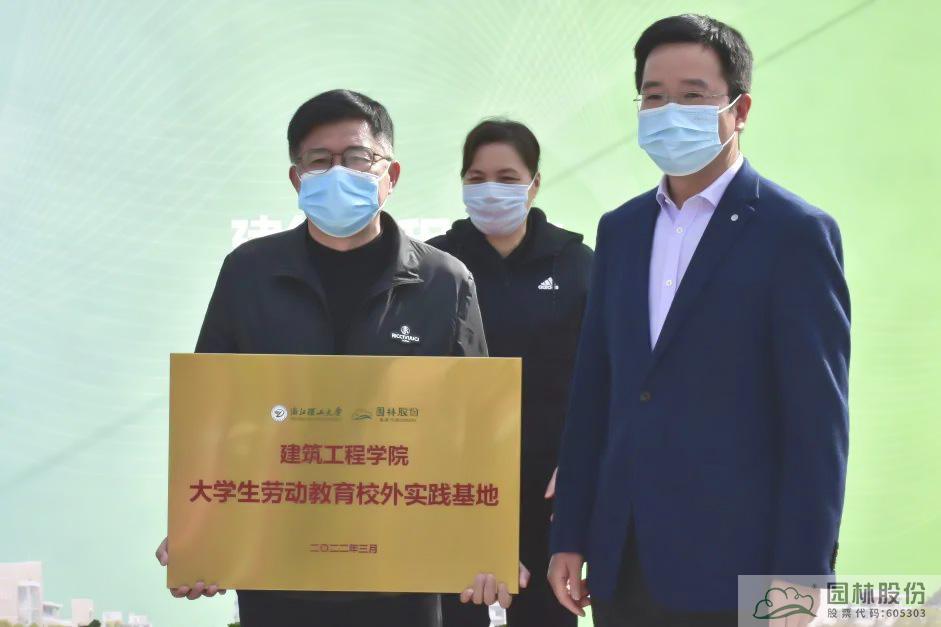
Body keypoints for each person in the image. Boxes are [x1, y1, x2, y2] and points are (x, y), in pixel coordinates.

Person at [154, 89, 521, 627]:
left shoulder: (444, 281)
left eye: (357, 158)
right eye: (319, 161)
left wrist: (488, 541)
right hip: (277, 565)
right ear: (296, 179)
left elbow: (478, 427)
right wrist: (200, 532)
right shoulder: (249, 272)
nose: (337, 173)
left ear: (391, 175)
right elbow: (212, 414)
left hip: (403, 571)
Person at [548, 14, 851, 627]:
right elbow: (595, 393)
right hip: (623, 561)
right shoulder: (621, 230)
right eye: (654, 96)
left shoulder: (794, 234)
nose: (669, 113)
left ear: (740, 110)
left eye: (693, 96)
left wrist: (802, 576)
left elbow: (816, 423)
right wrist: (570, 533)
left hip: (739, 567)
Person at [429, 119, 592, 627]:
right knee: (454, 612)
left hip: (549, 486)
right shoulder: (430, 265)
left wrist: (582, 462)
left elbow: (604, 376)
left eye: (506, 177)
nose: (490, 190)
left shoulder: (577, 265)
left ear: (534, 184)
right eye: (476, 178)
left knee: (547, 612)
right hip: (453, 486)